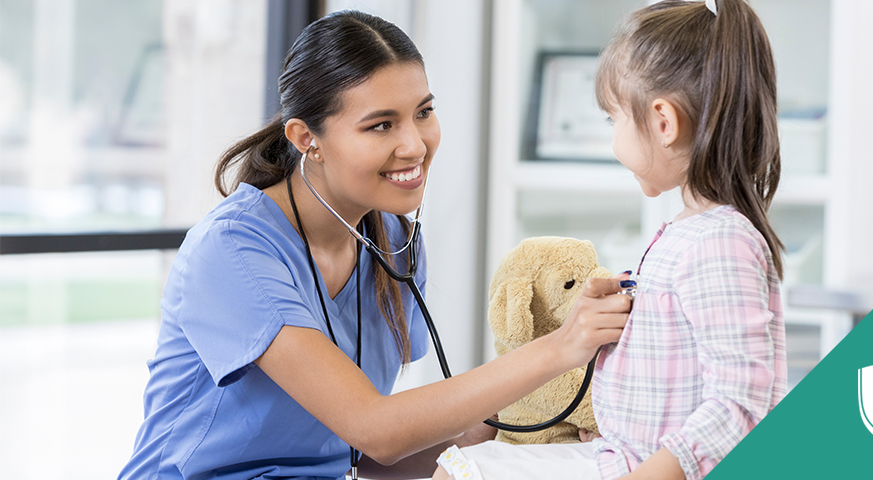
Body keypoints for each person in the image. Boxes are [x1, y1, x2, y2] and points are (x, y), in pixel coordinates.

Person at [118, 10, 631, 480]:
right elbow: (375, 430)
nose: (414, 145)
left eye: (423, 112)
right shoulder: (234, 251)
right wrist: (561, 347)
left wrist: (522, 429)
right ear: (306, 139)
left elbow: (364, 458)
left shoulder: (392, 240)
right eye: (381, 125)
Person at [433, 1, 787, 479]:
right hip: (620, 453)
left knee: (463, 472)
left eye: (613, 119)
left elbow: (741, 404)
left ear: (663, 123)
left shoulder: (720, 241)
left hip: (641, 469)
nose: (613, 136)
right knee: (465, 465)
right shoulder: (693, 230)